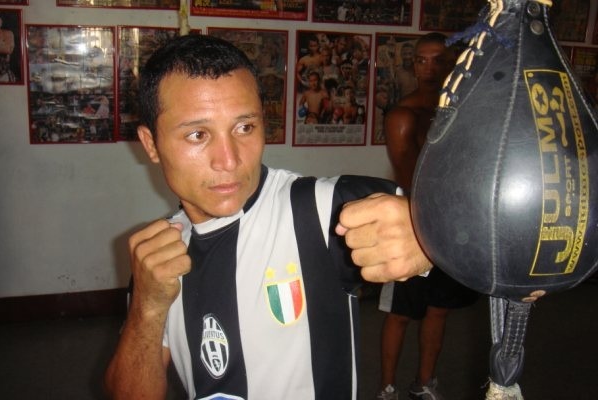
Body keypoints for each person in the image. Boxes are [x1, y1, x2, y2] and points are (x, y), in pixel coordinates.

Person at [104, 34, 431, 400]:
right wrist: (147, 309)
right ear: (151, 144)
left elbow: (460, 222)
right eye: (198, 134)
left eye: (244, 127)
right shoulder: (159, 256)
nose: (229, 160)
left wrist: (428, 233)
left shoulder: (319, 211)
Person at [377, 33, 479, 400]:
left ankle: (424, 383)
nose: (429, 68)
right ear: (414, 65)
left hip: (451, 224)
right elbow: (410, 177)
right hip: (414, 225)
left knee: (439, 310)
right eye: (421, 60)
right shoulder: (404, 115)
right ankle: (387, 387)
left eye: (438, 60)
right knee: (401, 314)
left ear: (452, 63)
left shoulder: (464, 109)